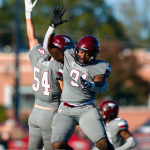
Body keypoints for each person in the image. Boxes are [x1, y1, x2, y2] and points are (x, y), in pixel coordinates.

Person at [47, 5, 114, 150]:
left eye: (88, 54)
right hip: (65, 108)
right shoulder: (69, 55)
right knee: (57, 146)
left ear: (94, 55)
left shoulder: (100, 66)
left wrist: (90, 85)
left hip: (86, 109)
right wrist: (52, 27)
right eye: (81, 52)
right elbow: (51, 48)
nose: (83, 56)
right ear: (76, 49)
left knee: (103, 144)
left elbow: (100, 81)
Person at [24, 1, 75, 150]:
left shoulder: (39, 57)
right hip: (50, 115)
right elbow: (66, 95)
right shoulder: (59, 66)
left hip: (34, 113)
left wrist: (28, 14)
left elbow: (31, 36)